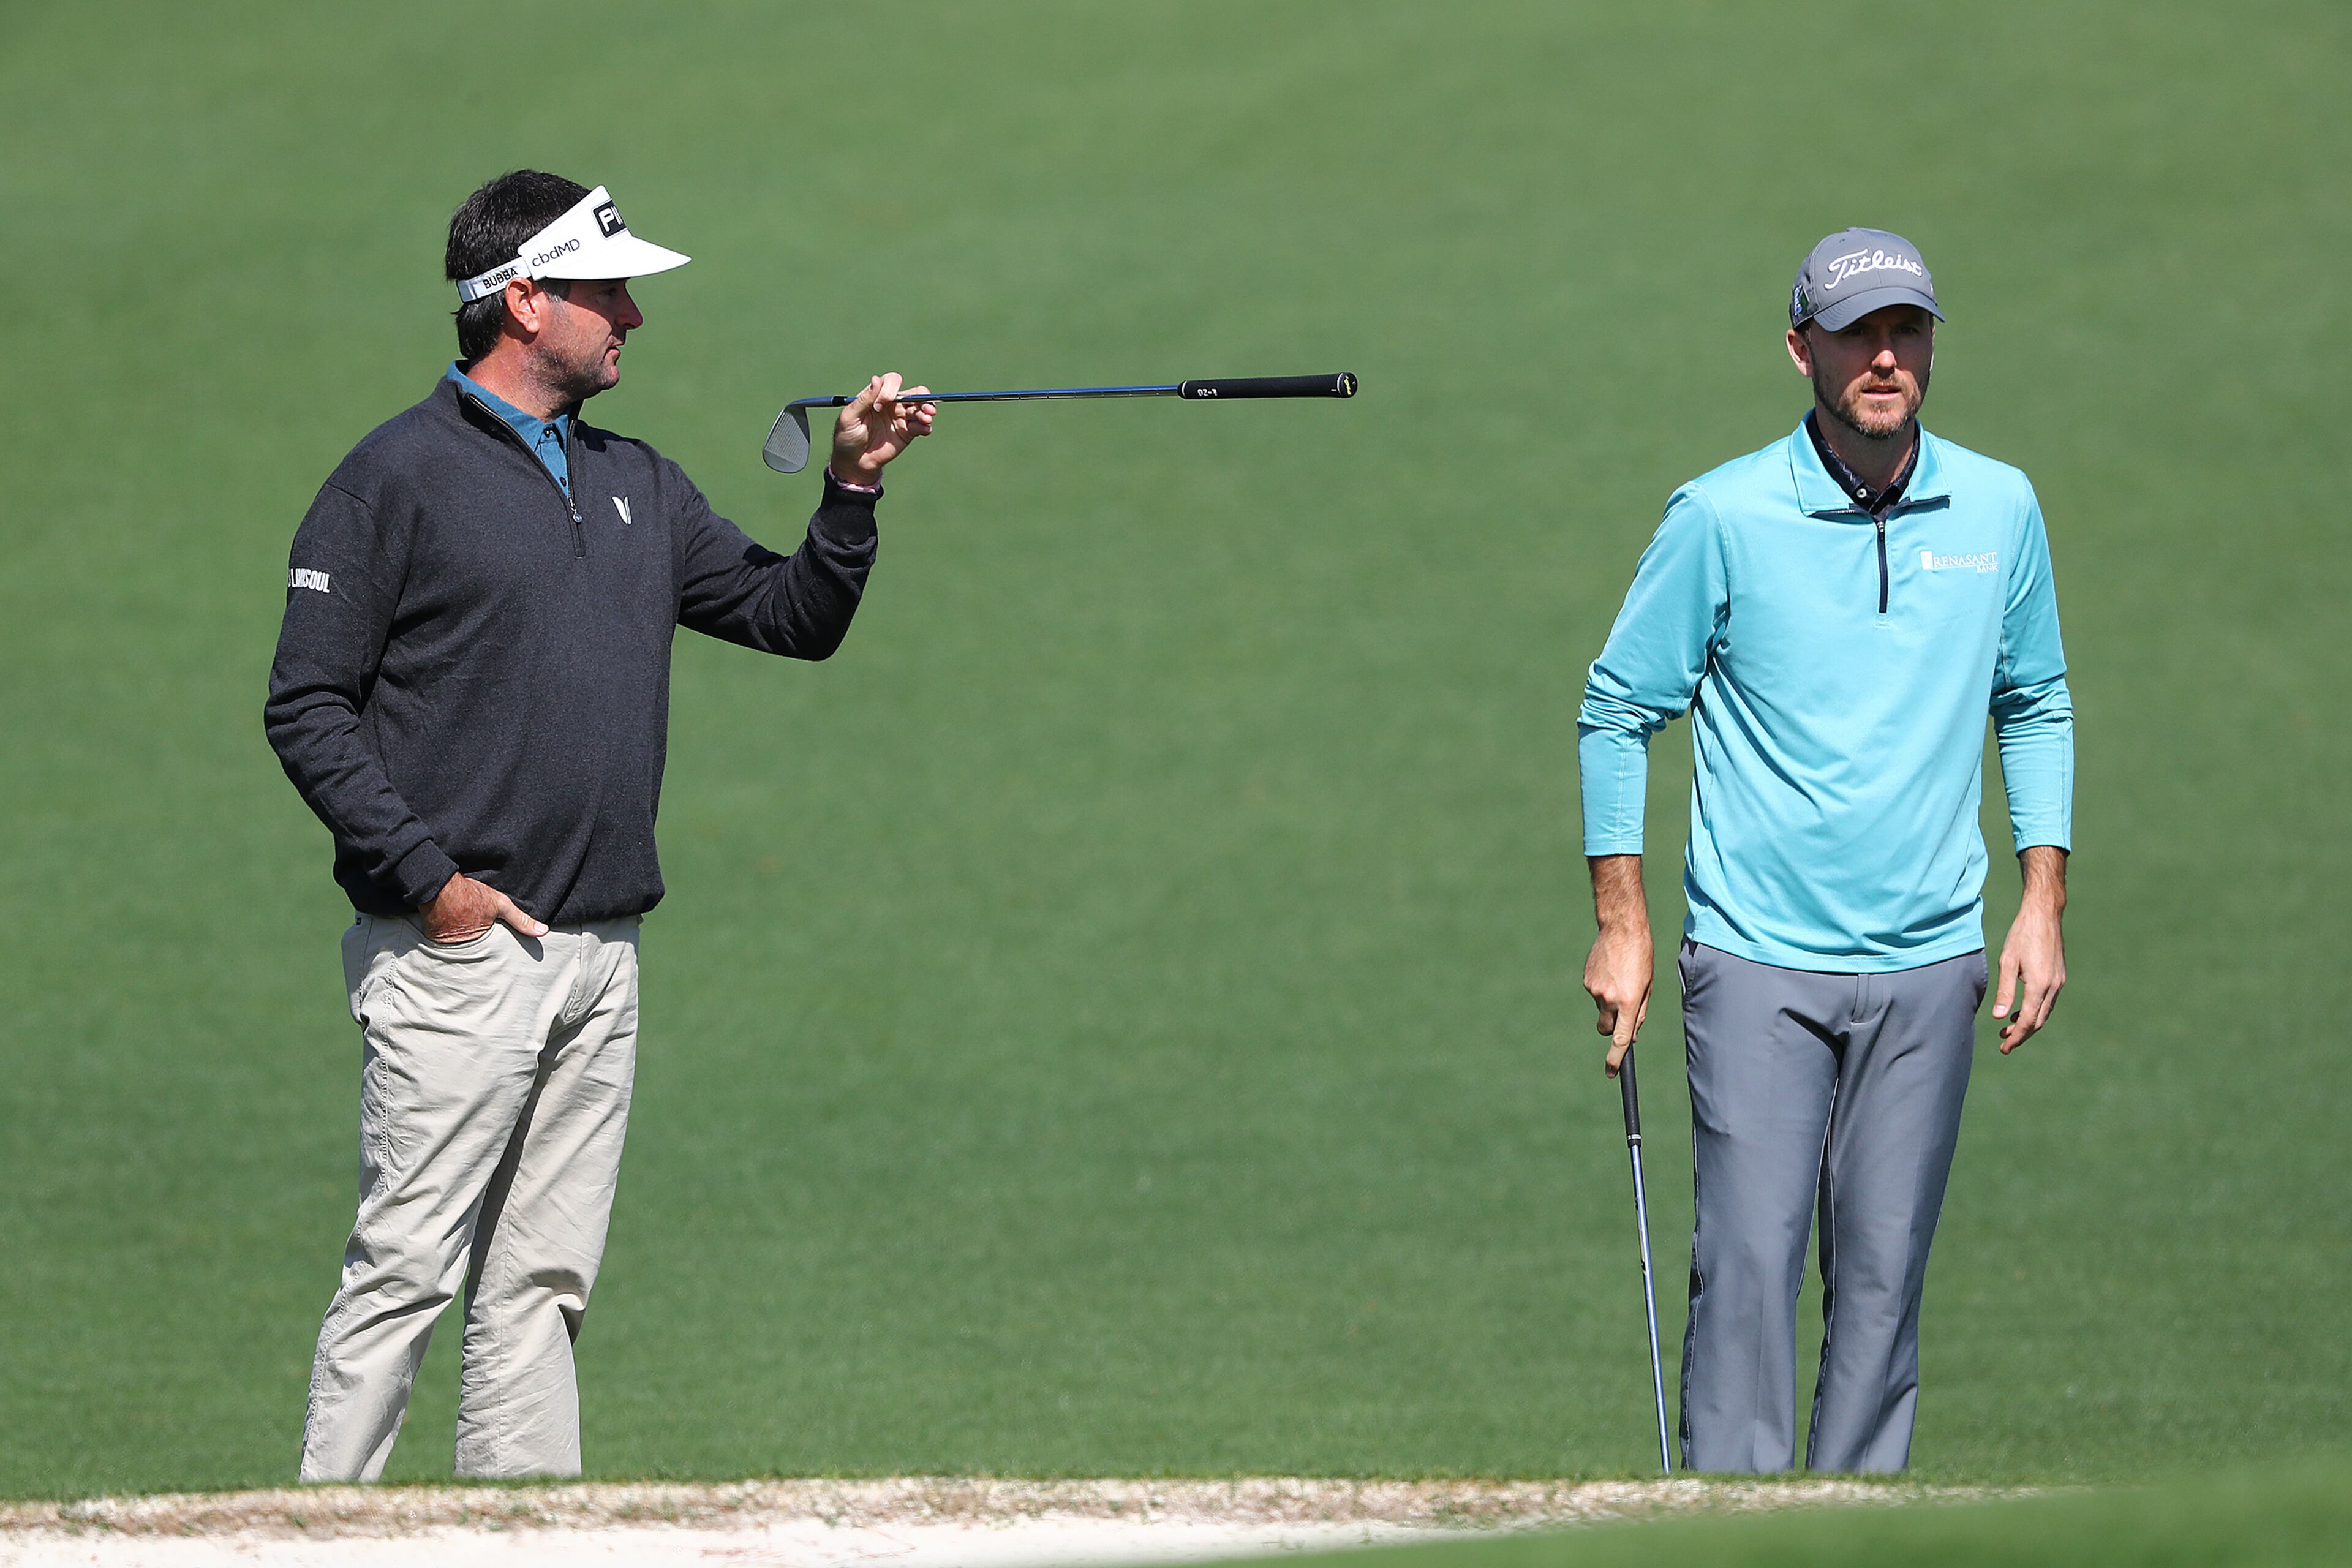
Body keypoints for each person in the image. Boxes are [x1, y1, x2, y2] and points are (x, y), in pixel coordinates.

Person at [265, 170, 934, 1482]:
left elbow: (791, 618)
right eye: (605, 291)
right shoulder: (391, 480)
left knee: (542, 1286)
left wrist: (850, 492)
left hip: (602, 955)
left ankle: (524, 1532)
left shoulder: (641, 483)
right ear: (522, 302)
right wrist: (432, 884)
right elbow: (305, 706)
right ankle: (319, 1534)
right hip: (458, 954)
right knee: (406, 1271)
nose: (632, 314)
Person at [1576, 228, 2073, 1473]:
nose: (1886, 355)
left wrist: (2041, 898)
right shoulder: (1723, 515)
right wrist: (1624, 919)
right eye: (1859, 334)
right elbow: (1617, 707)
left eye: (1907, 330)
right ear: (1804, 349)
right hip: (1754, 963)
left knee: (1884, 1278)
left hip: (1930, 966)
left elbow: (2038, 699)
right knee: (1744, 1274)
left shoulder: (2000, 507)